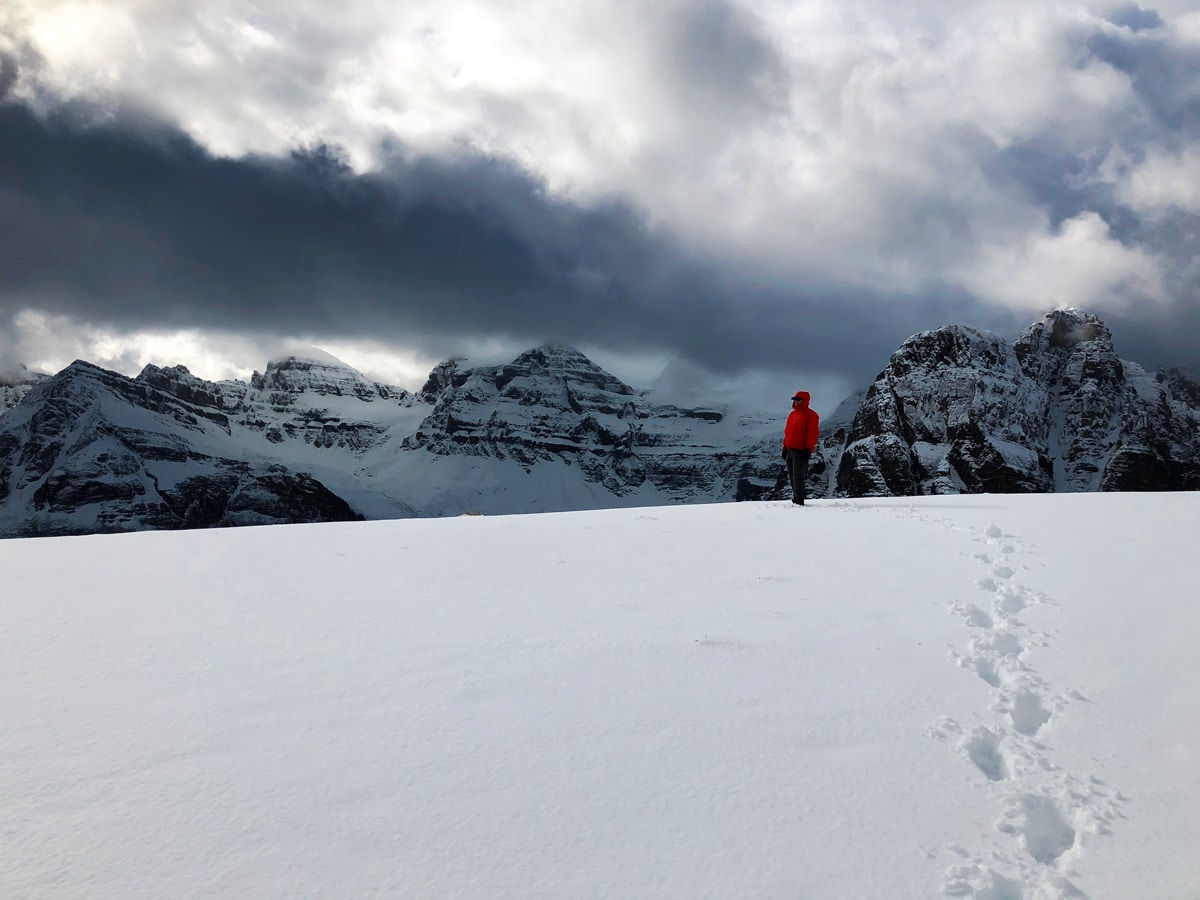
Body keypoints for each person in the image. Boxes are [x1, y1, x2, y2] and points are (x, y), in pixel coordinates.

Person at [782, 391, 820, 505]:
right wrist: (785, 447)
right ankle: (796, 497)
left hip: (801, 450)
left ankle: (799, 498)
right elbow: (787, 433)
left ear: (805, 401)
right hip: (790, 449)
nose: (796, 401)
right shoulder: (792, 415)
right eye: (795, 399)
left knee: (798, 476)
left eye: (798, 399)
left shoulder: (811, 415)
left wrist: (808, 448)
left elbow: (813, 433)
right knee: (792, 476)